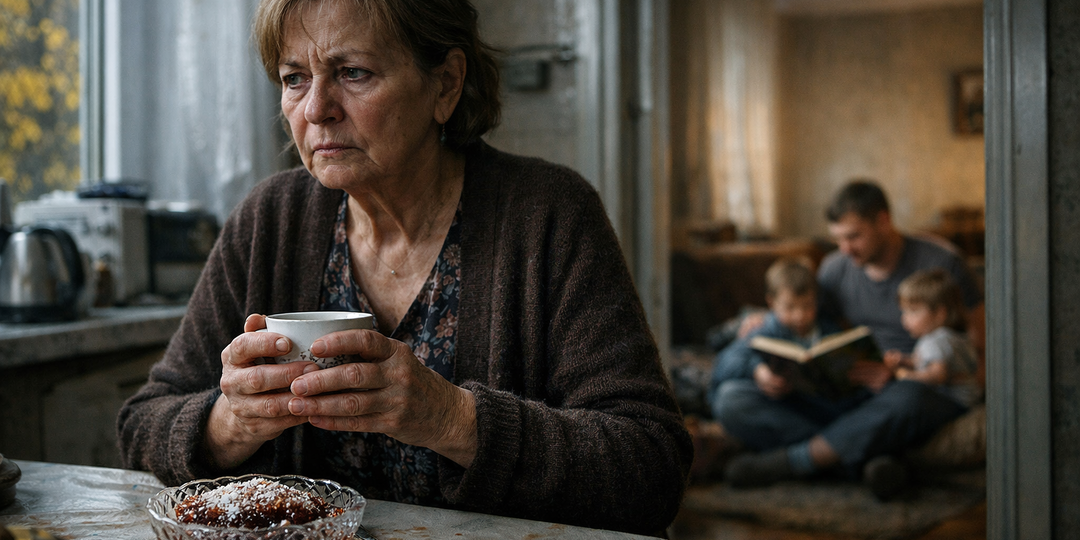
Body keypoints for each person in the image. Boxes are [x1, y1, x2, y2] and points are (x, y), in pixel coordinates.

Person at [115, 0, 692, 536]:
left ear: (446, 84)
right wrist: (229, 423)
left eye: (353, 73)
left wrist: (451, 418)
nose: (316, 109)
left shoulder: (548, 215)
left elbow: (651, 466)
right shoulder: (271, 219)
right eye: (294, 78)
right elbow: (141, 424)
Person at [714, 180, 983, 501]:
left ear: (883, 221)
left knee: (910, 397)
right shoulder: (834, 270)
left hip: (912, 388)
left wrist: (899, 375)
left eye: (854, 236)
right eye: (838, 239)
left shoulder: (943, 263)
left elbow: (981, 350)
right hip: (852, 395)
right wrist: (765, 322)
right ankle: (866, 461)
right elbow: (805, 320)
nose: (845, 249)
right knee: (732, 399)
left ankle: (795, 462)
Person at [707, 257, 840, 407]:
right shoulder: (766, 328)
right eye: (790, 307)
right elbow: (725, 362)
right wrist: (757, 371)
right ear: (772, 303)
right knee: (729, 396)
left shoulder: (829, 329)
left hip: (823, 406)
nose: (800, 315)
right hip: (783, 403)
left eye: (807, 306)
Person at [883, 269, 982, 409]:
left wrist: (905, 375)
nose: (904, 318)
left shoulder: (937, 341)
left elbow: (937, 376)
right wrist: (904, 361)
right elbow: (925, 363)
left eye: (913, 311)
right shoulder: (947, 336)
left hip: (956, 403)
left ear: (940, 313)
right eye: (903, 311)